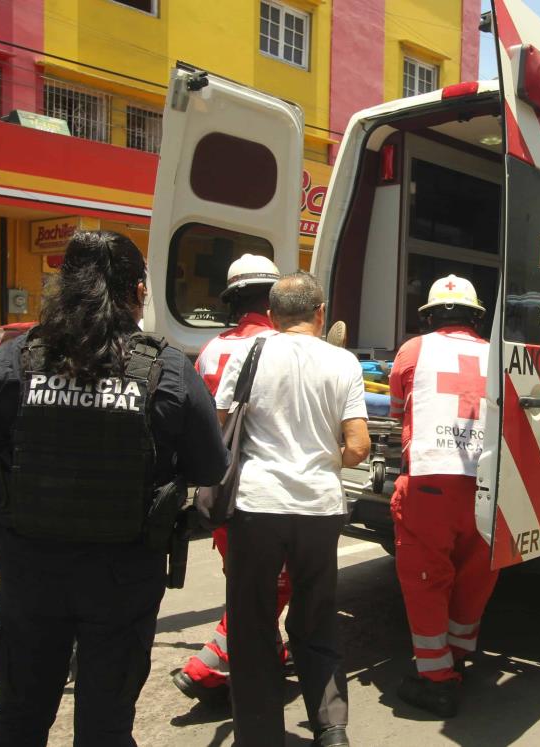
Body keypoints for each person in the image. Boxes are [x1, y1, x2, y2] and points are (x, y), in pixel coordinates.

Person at [0, 231, 228, 746]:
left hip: (30, 572)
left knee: (18, 716)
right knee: (105, 726)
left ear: (65, 286)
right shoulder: (168, 368)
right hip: (123, 578)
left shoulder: (16, 362)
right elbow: (211, 466)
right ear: (139, 291)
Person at [215, 272, 369, 747]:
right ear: (320, 313)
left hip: (256, 506)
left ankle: (259, 736)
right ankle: (331, 727)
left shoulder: (245, 353)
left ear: (274, 314)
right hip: (319, 507)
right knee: (316, 615)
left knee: (252, 622)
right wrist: (325, 458)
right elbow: (359, 446)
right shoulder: (343, 362)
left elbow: (222, 426)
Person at [173, 253, 293, 706]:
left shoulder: (210, 350)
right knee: (274, 583)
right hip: (268, 490)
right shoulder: (284, 348)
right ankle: (209, 667)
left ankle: (270, 651)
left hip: (220, 490)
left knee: (244, 578)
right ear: (274, 298)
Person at [388, 274, 497, 718]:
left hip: (432, 481)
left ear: (430, 316)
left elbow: (398, 409)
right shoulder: (498, 354)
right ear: (475, 317)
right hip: (489, 482)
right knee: (476, 571)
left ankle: (435, 680)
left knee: (426, 578)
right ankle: (456, 656)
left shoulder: (414, 350)